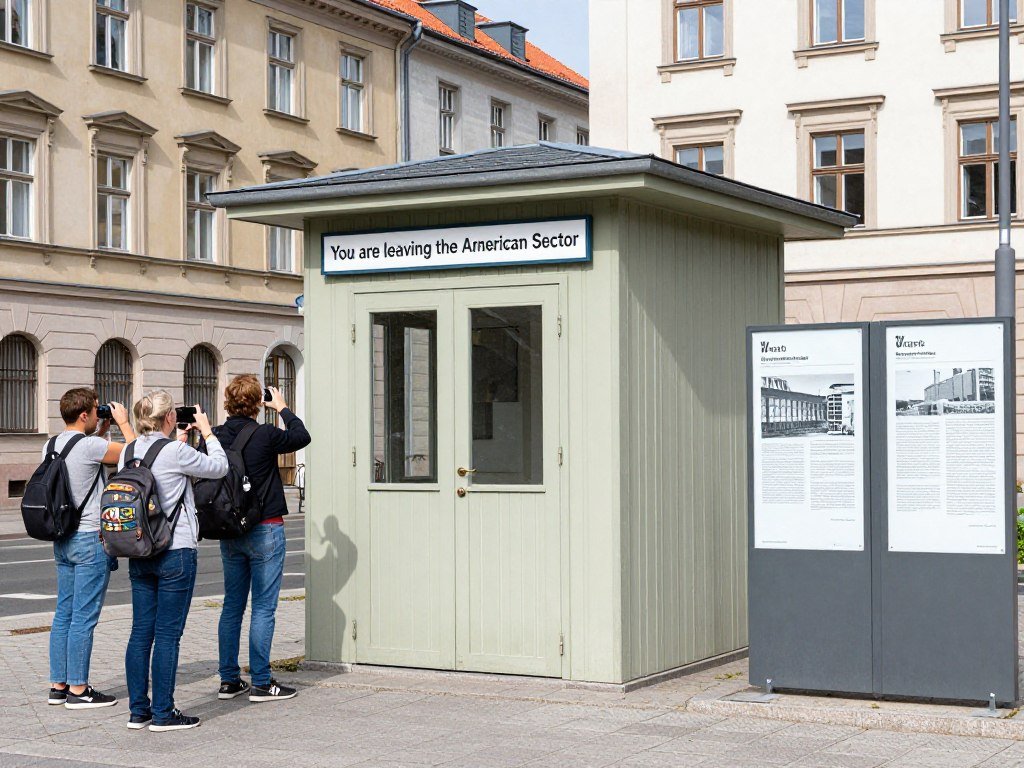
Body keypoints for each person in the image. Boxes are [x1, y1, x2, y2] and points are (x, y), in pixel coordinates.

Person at [121, 391, 228, 732]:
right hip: (175, 550)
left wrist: (178, 442)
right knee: (168, 635)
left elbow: (160, 467)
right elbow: (219, 468)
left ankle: (139, 712)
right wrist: (208, 432)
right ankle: (164, 714)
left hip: (139, 549)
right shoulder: (177, 451)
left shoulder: (128, 449)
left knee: (141, 633)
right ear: (169, 418)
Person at [214, 375, 311, 703]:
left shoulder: (215, 435)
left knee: (231, 606)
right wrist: (281, 406)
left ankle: (229, 680)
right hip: (266, 526)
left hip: (230, 530)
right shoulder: (265, 434)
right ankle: (261, 681)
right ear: (258, 403)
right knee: (264, 607)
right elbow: (301, 436)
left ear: (227, 400)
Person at [47, 389, 135, 710]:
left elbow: (84, 458)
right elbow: (135, 454)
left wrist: (101, 430)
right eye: (95, 412)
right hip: (89, 539)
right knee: (83, 617)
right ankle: (79, 690)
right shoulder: (91, 446)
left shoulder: (52, 443)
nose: (99, 414)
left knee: (64, 614)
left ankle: (58, 685)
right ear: (84, 415)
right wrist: (124, 423)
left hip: (63, 537)